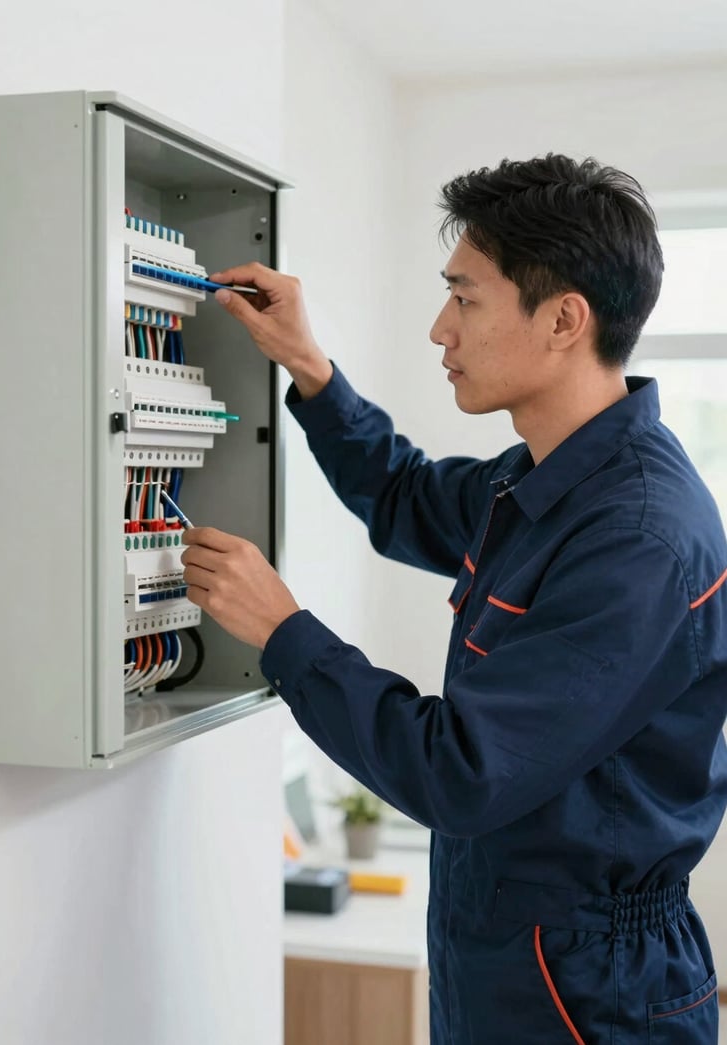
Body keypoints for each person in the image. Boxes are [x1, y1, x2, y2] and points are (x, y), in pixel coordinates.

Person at [180, 154, 727, 1044]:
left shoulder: (638, 539)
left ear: (563, 319)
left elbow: (462, 771)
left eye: (465, 298)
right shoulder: (543, 481)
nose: (441, 329)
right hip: (505, 952)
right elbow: (402, 496)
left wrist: (283, 632)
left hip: (591, 995)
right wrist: (311, 369)